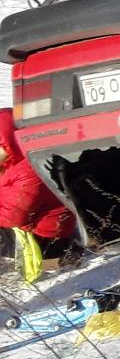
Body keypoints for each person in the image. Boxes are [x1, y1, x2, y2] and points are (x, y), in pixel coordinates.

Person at [0, 110, 76, 282]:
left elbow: (14, 217)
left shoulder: (28, 169)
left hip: (47, 237)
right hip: (29, 227)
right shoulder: (11, 164)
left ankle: (63, 258)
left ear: (10, 143)